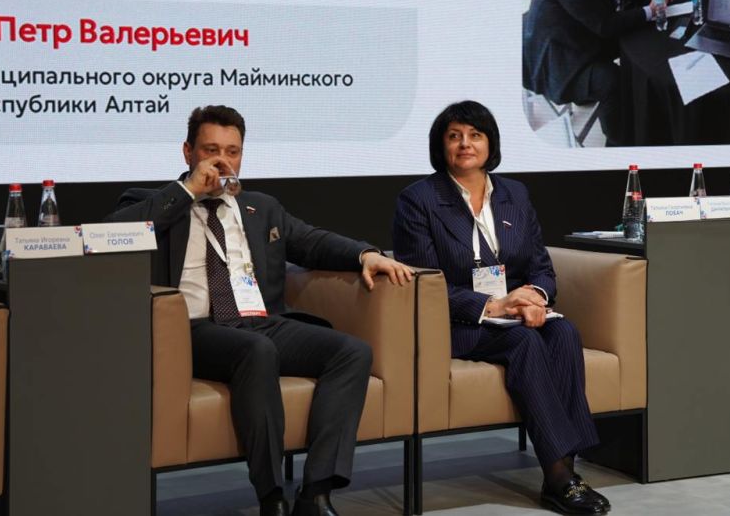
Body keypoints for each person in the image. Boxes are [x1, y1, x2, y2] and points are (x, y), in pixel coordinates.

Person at [107, 105, 414, 516]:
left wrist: (365, 254)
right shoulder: (155, 203)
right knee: (257, 351)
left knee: (352, 352)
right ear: (188, 152)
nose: (222, 161)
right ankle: (271, 496)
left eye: (232, 152)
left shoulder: (260, 207)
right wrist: (188, 191)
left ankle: (316, 493)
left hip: (259, 321)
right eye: (211, 150)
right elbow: (114, 234)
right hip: (193, 328)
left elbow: (312, 241)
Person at [392, 101, 609, 514]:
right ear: (441, 146)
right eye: (454, 136)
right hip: (456, 321)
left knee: (564, 332)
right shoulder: (418, 200)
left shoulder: (514, 194)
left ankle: (566, 468)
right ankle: (560, 478)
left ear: (490, 144)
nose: (465, 144)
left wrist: (536, 298)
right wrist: (494, 304)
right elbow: (426, 284)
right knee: (524, 343)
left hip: (513, 313)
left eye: (475, 135)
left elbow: (541, 266)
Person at [523, 0, 661, 147]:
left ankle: (642, 112)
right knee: (613, 81)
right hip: (562, 58)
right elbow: (604, 25)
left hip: (583, 36)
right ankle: (618, 145)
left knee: (640, 44)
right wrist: (650, 12)